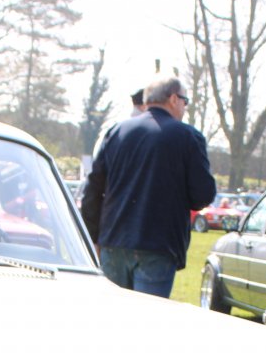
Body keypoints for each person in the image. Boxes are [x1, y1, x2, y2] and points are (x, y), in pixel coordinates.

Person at [80, 75, 216, 298]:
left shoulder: (115, 132)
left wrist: (93, 237)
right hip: (158, 246)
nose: (184, 106)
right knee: (147, 322)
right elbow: (202, 195)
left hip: (113, 242)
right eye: (185, 101)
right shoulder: (188, 137)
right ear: (173, 99)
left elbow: (93, 190)